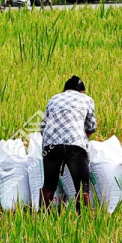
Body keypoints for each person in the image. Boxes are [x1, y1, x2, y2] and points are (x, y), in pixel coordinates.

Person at [39, 75, 97, 214]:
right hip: (75, 145)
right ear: (82, 91)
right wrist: (80, 140)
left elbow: (42, 128)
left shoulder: (54, 98)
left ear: (64, 89)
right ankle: (83, 220)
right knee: (82, 187)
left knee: (49, 185)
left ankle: (41, 218)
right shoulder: (87, 99)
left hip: (51, 145)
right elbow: (90, 128)